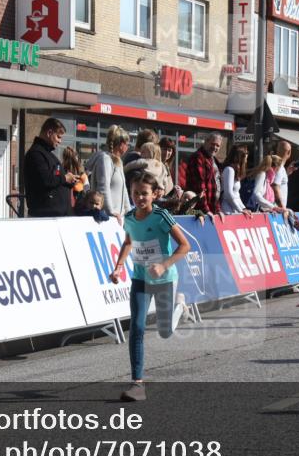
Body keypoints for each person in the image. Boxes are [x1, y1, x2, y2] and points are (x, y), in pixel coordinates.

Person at [109, 171, 190, 402]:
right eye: (135, 193)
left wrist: (164, 266)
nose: (139, 198)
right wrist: (118, 267)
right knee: (137, 327)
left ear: (154, 194)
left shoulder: (162, 215)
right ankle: (137, 383)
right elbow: (128, 242)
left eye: (144, 194)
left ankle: (179, 308)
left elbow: (185, 246)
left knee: (165, 332)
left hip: (164, 280)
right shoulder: (130, 217)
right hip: (141, 279)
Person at [24, 118, 77, 217]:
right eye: (58, 137)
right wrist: (65, 178)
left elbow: (55, 180)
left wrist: (69, 181)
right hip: (45, 218)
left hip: (56, 216)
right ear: (49, 133)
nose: (60, 141)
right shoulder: (36, 154)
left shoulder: (48, 154)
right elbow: (46, 180)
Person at [85, 125, 133, 225]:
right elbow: (103, 188)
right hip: (106, 219)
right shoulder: (105, 159)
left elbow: (123, 191)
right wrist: (111, 212)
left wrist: (129, 212)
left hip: (117, 218)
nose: (128, 147)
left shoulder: (118, 161)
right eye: (127, 144)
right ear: (121, 144)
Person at [184, 133, 223, 216]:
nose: (215, 147)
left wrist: (218, 209)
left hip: (211, 211)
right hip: (198, 212)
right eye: (213, 144)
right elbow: (200, 187)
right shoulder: (198, 158)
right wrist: (205, 210)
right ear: (206, 142)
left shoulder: (214, 160)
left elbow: (217, 186)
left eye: (218, 145)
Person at [220, 144, 248, 214]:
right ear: (240, 156)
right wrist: (240, 210)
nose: (247, 156)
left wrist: (243, 208)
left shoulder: (235, 171)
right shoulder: (229, 170)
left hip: (234, 209)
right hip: (227, 210)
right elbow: (228, 193)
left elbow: (236, 195)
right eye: (246, 153)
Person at [62, 146, 88, 211]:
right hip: (79, 206)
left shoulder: (61, 172)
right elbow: (87, 189)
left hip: (66, 205)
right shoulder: (82, 174)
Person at [270, 140, 292, 210]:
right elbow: (275, 186)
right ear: (289, 153)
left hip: (275, 208)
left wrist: (287, 173)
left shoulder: (277, 166)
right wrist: (283, 208)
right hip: (278, 210)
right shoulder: (280, 168)